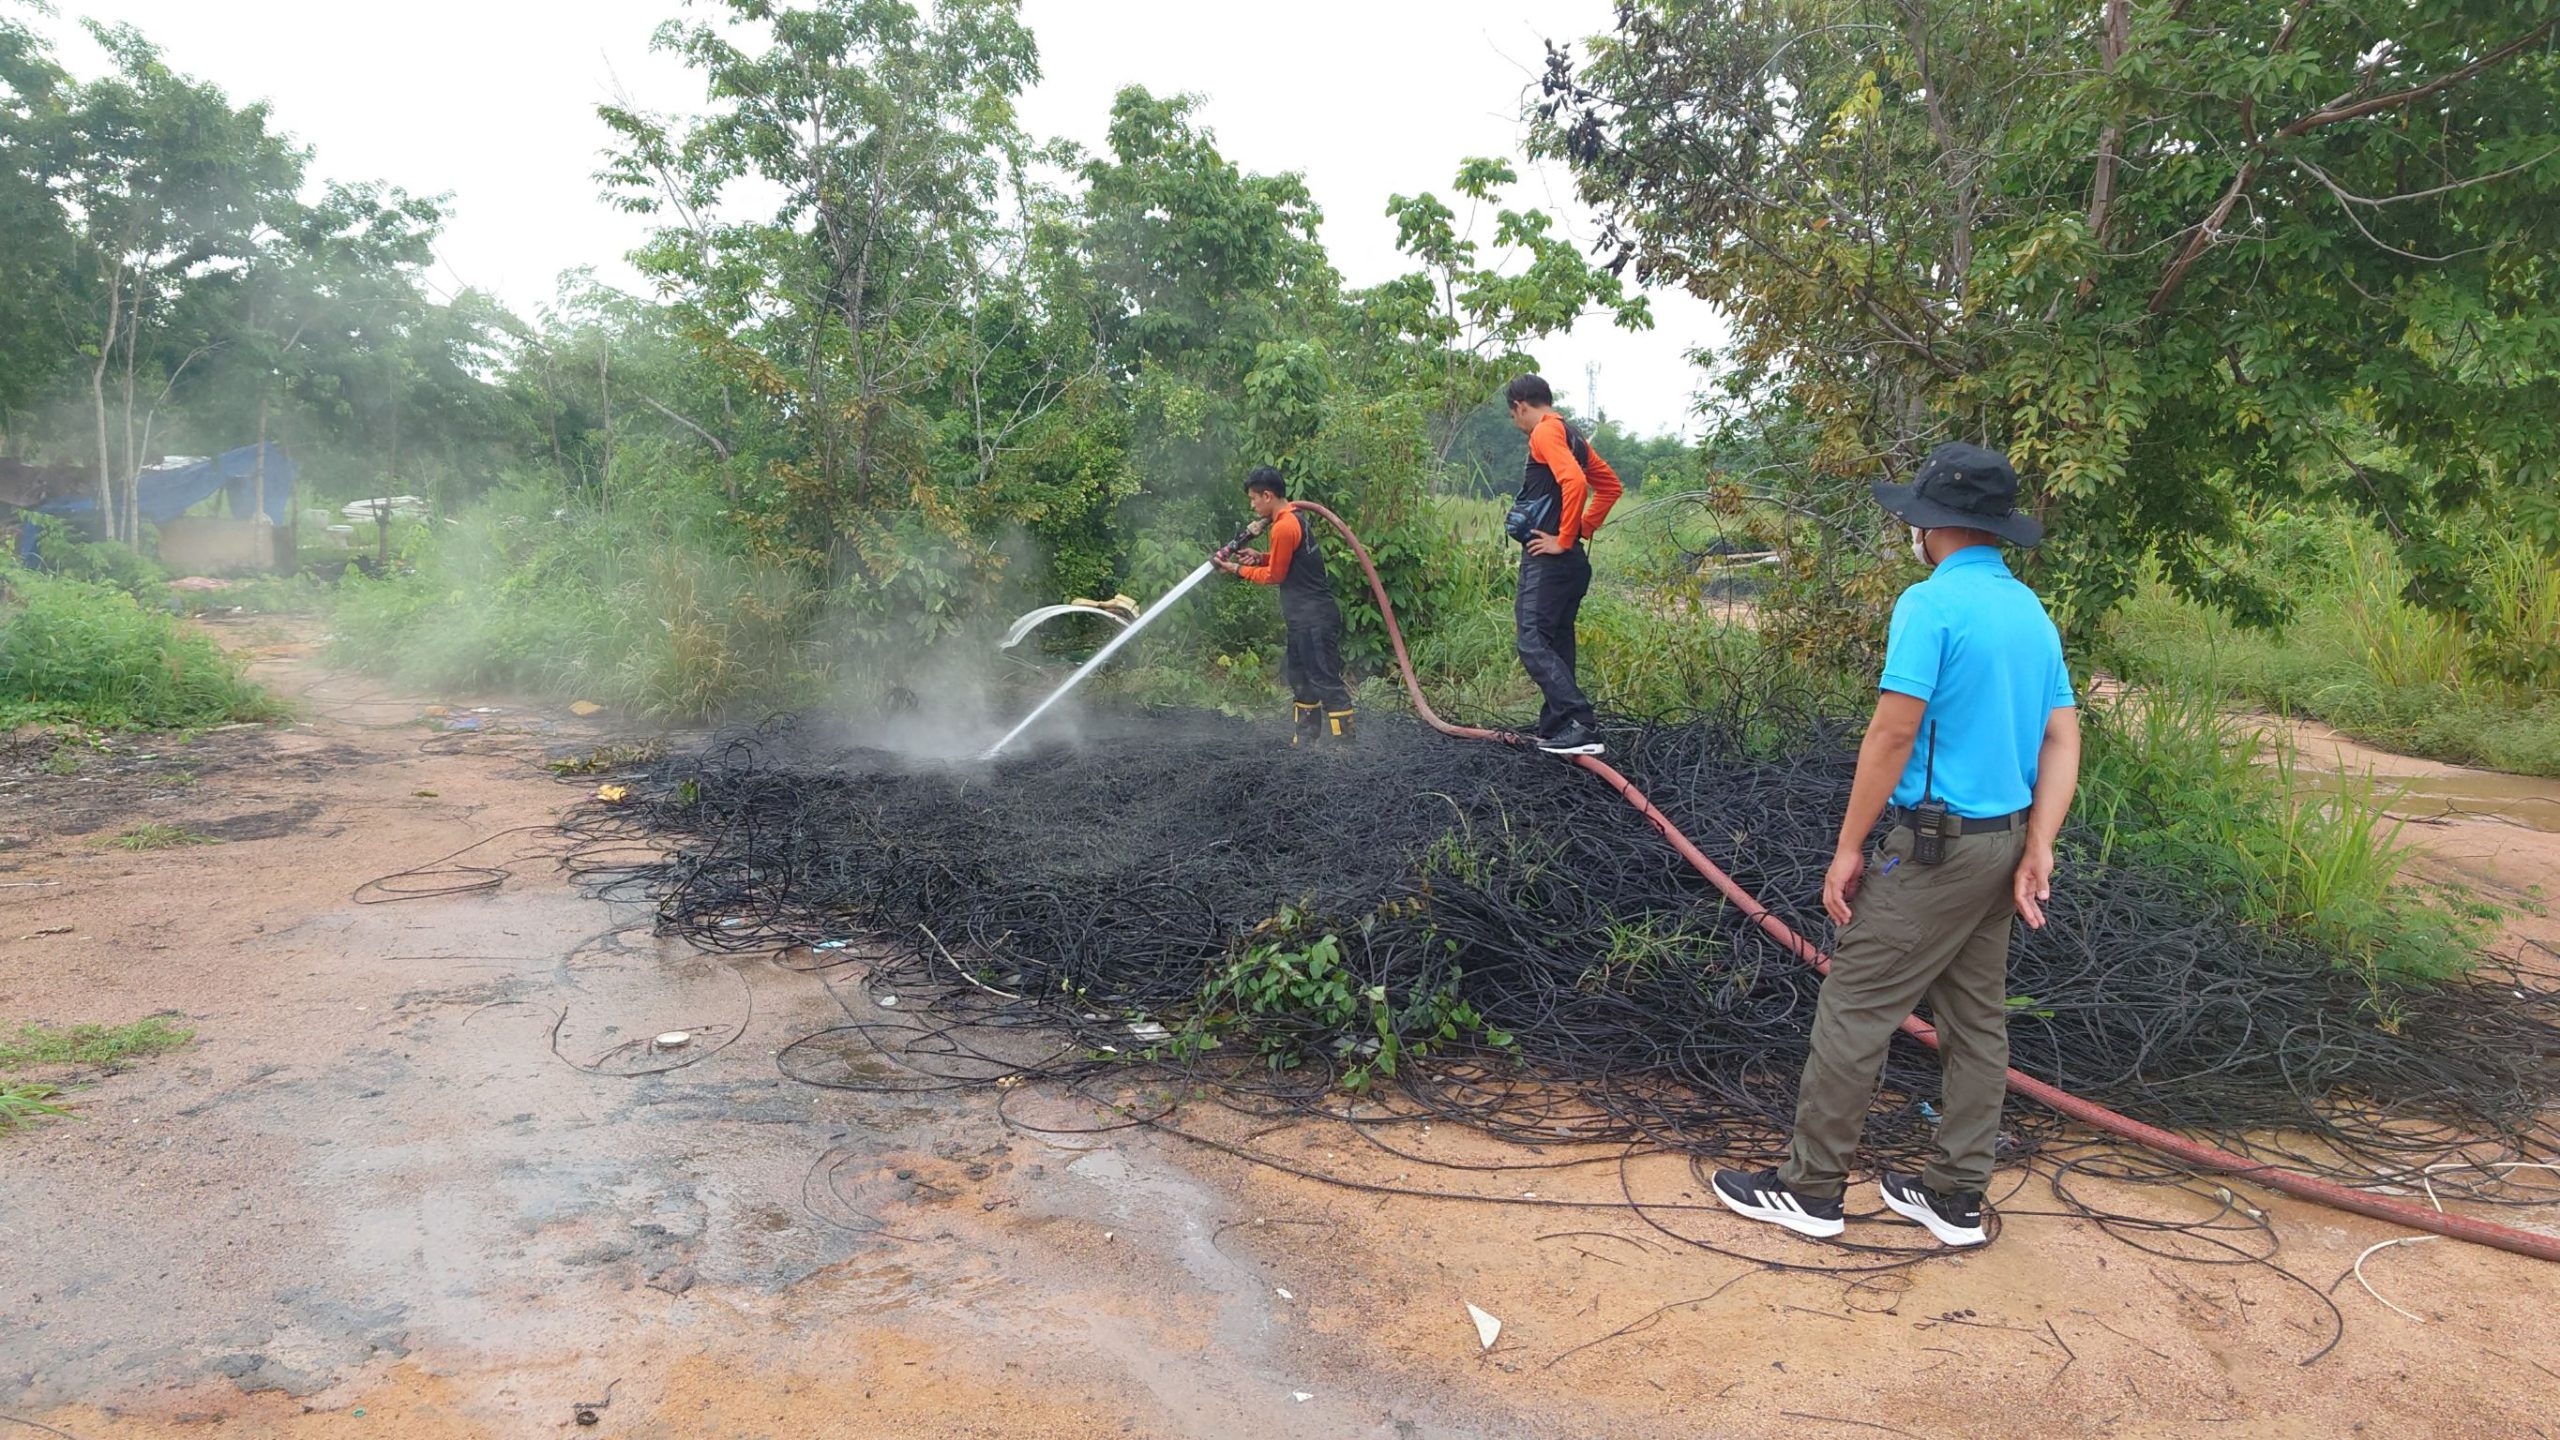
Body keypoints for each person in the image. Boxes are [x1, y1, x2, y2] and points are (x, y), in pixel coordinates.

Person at [1712, 442, 2080, 1248]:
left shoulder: (1930, 606)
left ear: (1933, 526)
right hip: (2002, 844)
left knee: (1855, 1008)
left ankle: (1810, 1189)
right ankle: (1953, 1195)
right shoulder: (2030, 613)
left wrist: (1848, 848)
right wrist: (2039, 844)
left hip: (1933, 849)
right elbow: (2061, 737)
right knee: (1977, 1022)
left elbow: (1892, 731)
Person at [1503, 374, 1622, 756]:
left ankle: (1580, 723)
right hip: (1571, 565)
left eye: (1513, 416)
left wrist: (1564, 538)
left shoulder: (1544, 432)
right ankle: (1557, 729)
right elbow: (1611, 486)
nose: (1515, 424)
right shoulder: (1572, 435)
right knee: (1556, 641)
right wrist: (1584, 528)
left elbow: (1574, 482)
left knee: (1532, 641)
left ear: (1521, 406)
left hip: (1550, 561)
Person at [1214, 467, 1354, 745]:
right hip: (1301, 619)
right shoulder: (1289, 521)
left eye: (1254, 498)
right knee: (1301, 680)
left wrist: (1236, 569)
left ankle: (1345, 750)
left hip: (1315, 617)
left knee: (1325, 680)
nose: (1252, 505)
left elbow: (1276, 576)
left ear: (1268, 495)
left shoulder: (1285, 526)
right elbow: (1287, 563)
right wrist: (1260, 557)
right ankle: (1304, 742)